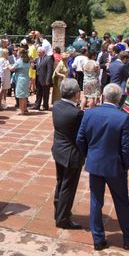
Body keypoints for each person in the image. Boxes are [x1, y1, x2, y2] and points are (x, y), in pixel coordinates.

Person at [76, 83, 129, 251]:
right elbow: (126, 147)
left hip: (96, 163)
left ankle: (98, 238)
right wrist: (126, 164)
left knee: (96, 202)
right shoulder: (122, 117)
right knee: (122, 202)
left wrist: (89, 156)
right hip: (115, 166)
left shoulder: (89, 113)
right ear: (120, 99)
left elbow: (80, 139)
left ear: (103, 96)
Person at [51, 78, 84, 229]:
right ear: (76, 94)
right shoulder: (77, 113)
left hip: (59, 150)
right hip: (71, 154)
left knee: (60, 182)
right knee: (68, 187)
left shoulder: (57, 105)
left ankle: (59, 211)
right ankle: (63, 218)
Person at [10, 48, 31, 115]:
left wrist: (7, 65)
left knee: (21, 96)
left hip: (20, 80)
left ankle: (21, 110)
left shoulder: (19, 61)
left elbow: (11, 69)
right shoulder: (27, 60)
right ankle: (25, 109)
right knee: (24, 95)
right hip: (26, 78)